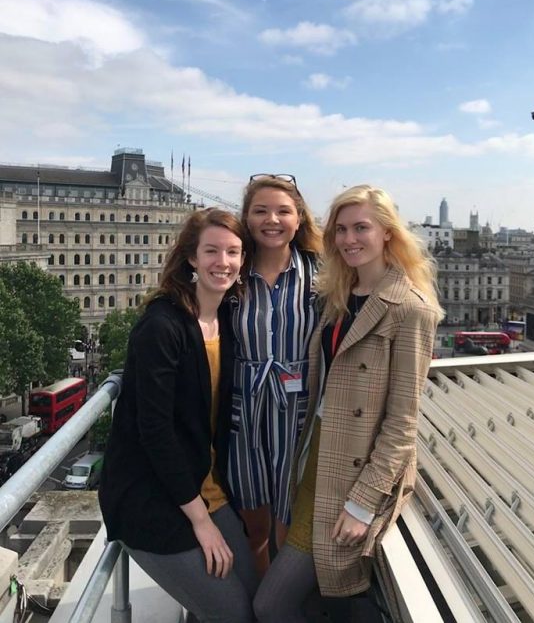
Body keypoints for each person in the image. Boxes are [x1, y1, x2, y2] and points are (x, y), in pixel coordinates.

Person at [254, 185, 442, 623]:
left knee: (271, 603)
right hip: (313, 451)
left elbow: (402, 422)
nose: (348, 239)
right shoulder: (338, 293)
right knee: (302, 590)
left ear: (388, 234)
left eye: (362, 227)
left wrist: (361, 503)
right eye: (340, 229)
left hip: (353, 471)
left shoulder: (411, 310)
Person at [98, 208, 258, 623]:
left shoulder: (227, 320)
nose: (222, 262)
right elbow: (155, 430)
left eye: (233, 252)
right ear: (191, 257)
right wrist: (202, 523)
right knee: (233, 612)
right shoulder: (163, 326)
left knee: (256, 597)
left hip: (204, 486)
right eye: (212, 251)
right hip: (152, 497)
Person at [228, 174, 323, 576]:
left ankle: (277, 605)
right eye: (261, 210)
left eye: (283, 210)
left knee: (289, 515)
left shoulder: (321, 274)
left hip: (297, 409)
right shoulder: (231, 272)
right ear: (247, 218)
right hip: (242, 409)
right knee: (253, 521)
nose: (272, 219)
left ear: (298, 219)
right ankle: (254, 597)